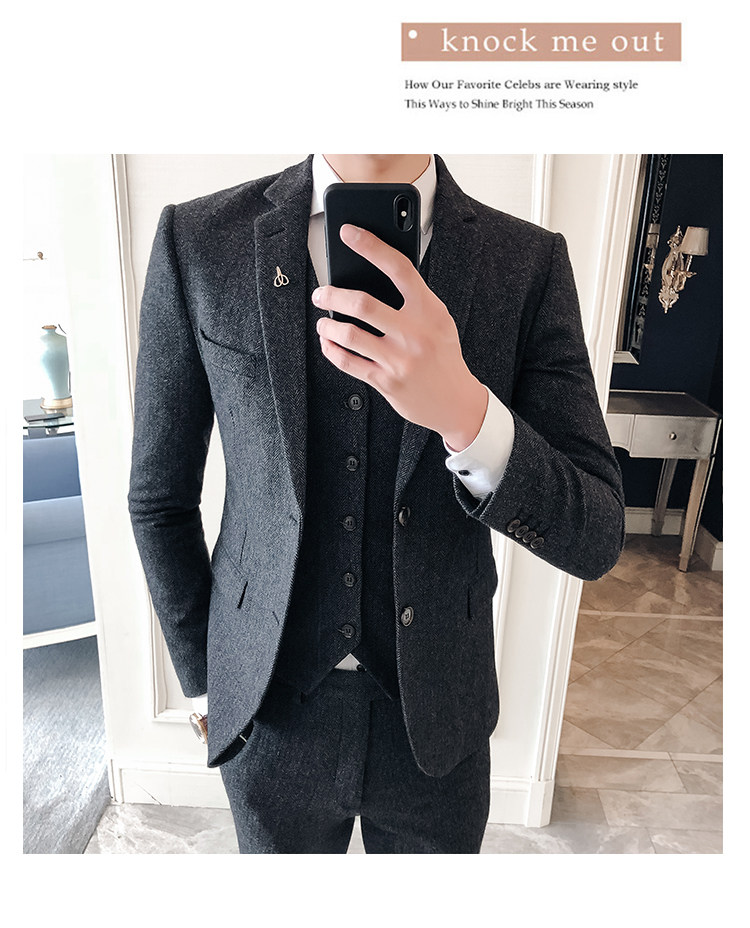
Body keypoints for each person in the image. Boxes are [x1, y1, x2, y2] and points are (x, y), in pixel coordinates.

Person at [127, 154, 625, 853]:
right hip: (267, 718)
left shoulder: (525, 263)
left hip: (439, 726)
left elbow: (596, 533)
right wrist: (210, 684)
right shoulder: (201, 240)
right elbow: (158, 498)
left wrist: (467, 413)